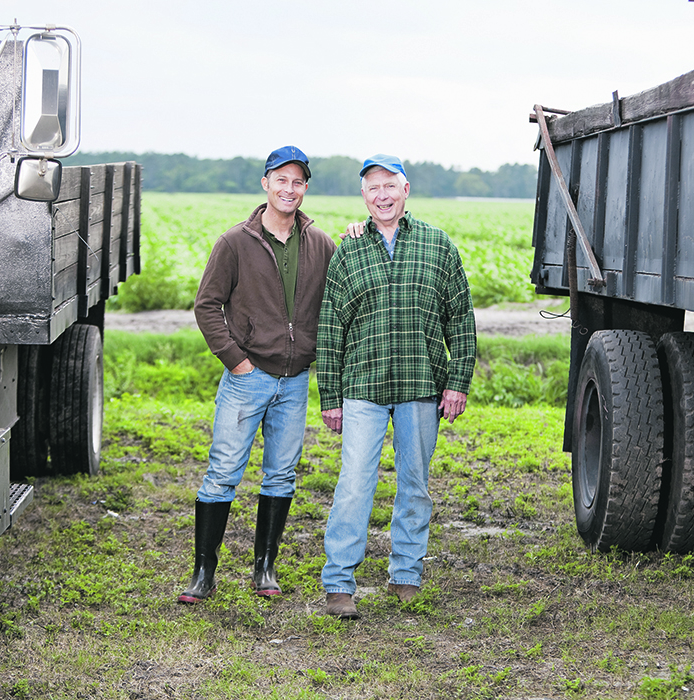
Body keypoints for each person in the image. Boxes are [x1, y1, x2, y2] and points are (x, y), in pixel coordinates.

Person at [317, 154, 477, 619]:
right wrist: (330, 397)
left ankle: (406, 574)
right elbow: (330, 329)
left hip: (421, 384)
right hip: (362, 387)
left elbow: (460, 320)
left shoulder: (437, 245)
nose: (382, 195)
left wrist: (457, 383)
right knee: (354, 484)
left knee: (414, 484)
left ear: (406, 190)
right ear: (363, 196)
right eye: (373, 188)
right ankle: (339, 583)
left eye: (390, 186)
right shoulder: (348, 250)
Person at [178, 146, 336, 603]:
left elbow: (342, 287)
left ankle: (264, 567)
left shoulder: (321, 244)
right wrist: (236, 361)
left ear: (305, 188)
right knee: (223, 473)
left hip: (295, 380)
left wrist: (359, 232)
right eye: (281, 179)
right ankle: (203, 573)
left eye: (298, 181)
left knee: (281, 476)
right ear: (266, 183)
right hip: (248, 378)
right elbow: (207, 305)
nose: (289, 189)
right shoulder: (235, 243)